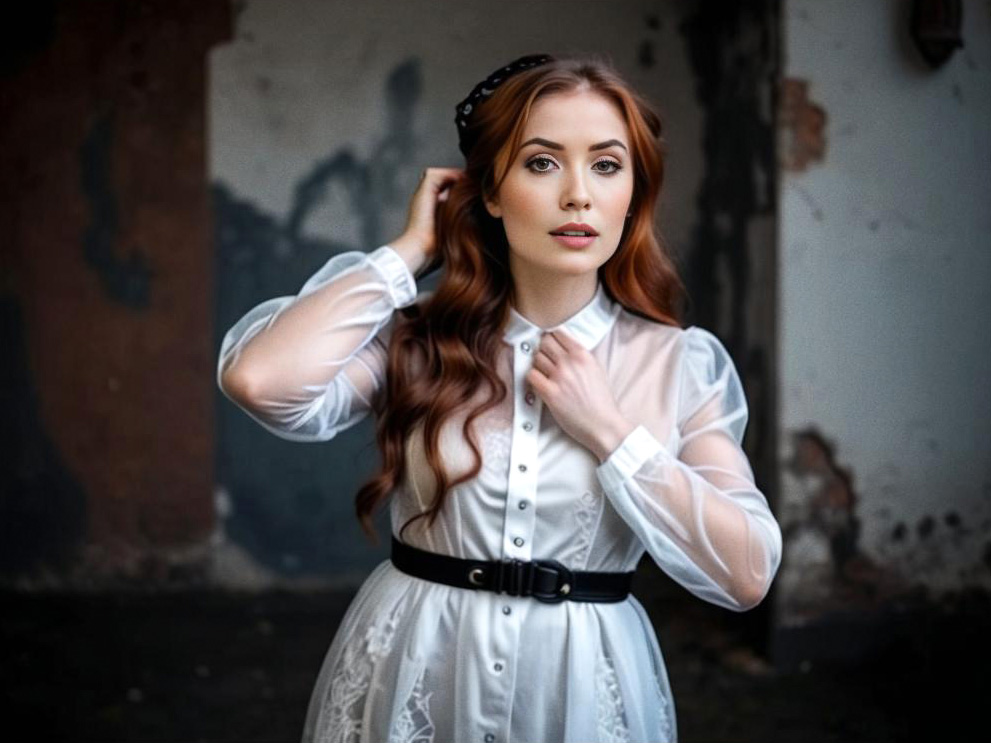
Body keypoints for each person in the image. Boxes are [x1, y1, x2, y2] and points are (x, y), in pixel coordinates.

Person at [217, 52, 782, 743]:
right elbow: (259, 380)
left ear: (632, 192)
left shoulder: (677, 362)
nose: (577, 194)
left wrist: (609, 431)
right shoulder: (418, 337)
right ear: (489, 190)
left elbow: (747, 571)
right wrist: (408, 251)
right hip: (416, 664)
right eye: (542, 162)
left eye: (606, 165)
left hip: (576, 685)